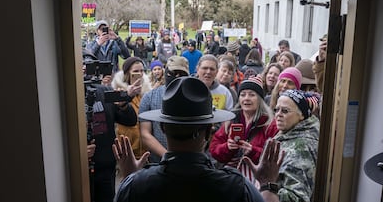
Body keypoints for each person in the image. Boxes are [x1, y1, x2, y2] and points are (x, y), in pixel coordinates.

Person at [114, 76, 279, 202]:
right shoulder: (236, 187)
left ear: (163, 129)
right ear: (208, 131)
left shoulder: (138, 185)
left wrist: (130, 179)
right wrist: (268, 184)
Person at [209, 75, 278, 183]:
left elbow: (274, 156)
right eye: (243, 94)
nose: (246, 98)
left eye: (252, 95)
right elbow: (214, 149)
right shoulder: (231, 120)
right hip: (231, 176)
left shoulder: (269, 123)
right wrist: (227, 147)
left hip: (258, 179)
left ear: (260, 99)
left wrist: (252, 151)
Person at [84, 81, 138, 202]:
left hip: (105, 166)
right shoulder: (65, 94)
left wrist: (123, 105)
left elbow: (130, 120)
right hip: (78, 168)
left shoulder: (104, 92)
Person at [139, 56, 190, 163]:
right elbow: (145, 134)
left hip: (189, 159)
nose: (176, 77)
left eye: (181, 74)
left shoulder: (194, 98)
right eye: (173, 73)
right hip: (159, 161)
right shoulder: (150, 97)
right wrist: (168, 156)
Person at [272, 89, 320, 201]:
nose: (278, 114)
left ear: (301, 115)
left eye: (285, 111)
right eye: (276, 109)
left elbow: (297, 197)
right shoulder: (289, 133)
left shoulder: (300, 149)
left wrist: (267, 187)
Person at [111, 57, 152, 158]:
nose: (140, 74)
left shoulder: (147, 93)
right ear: (127, 73)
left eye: (142, 71)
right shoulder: (117, 92)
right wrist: (126, 96)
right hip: (126, 150)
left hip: (146, 150)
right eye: (135, 71)